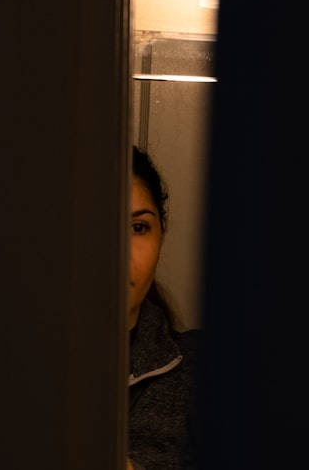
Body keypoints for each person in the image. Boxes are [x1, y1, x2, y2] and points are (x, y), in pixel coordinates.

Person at [126, 146, 200, 470]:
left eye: (138, 227)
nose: (119, 254)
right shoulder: (5, 365)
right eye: (95, 224)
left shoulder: (200, 373)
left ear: (161, 236)